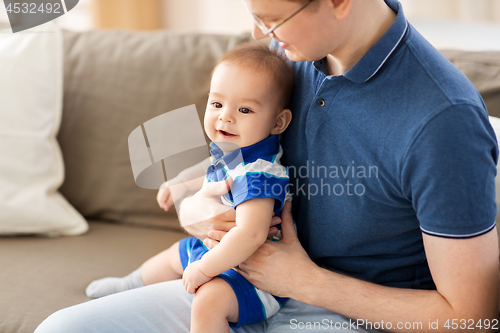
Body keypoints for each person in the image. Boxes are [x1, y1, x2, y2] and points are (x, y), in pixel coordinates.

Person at [36, 0, 499, 332]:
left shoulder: (443, 121)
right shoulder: (286, 57)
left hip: (354, 316)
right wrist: (196, 208)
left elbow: (475, 317)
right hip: (245, 283)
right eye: (254, 14)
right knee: (61, 328)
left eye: (272, 18)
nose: (260, 33)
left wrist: (306, 282)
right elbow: (228, 165)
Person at [85, 42, 294, 333]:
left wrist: (205, 269)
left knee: (208, 302)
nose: (226, 116)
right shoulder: (237, 148)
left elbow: (252, 234)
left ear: (278, 122)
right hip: (218, 251)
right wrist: (181, 181)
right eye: (217, 104)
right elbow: (210, 164)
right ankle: (128, 285)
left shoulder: (259, 173)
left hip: (253, 274)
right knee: (174, 255)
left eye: (244, 109)